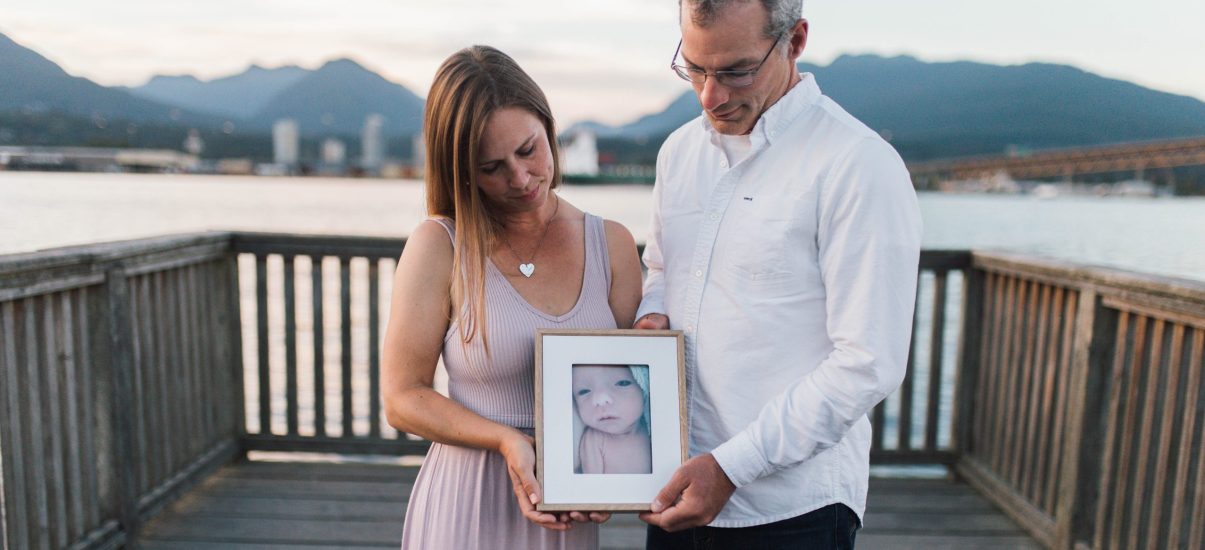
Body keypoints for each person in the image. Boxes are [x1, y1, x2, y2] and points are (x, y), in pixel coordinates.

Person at [634, 0, 923, 548]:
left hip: (793, 510)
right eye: (694, 68)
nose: (709, 96)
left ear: (795, 41)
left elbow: (868, 363)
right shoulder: (678, 152)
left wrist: (732, 467)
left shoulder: (859, 164)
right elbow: (662, 265)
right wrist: (653, 312)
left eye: (736, 72)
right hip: (678, 488)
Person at [380, 45, 644, 550]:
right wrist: (506, 440)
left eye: (529, 150)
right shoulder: (440, 245)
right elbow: (402, 399)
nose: (520, 179)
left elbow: (631, 383)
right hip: (467, 504)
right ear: (459, 168)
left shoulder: (611, 244)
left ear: (549, 127)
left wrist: (615, 479)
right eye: (491, 166)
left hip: (566, 509)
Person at [573, 365, 652, 474]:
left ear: (644, 390)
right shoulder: (595, 439)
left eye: (622, 383)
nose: (600, 399)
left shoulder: (654, 433)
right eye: (584, 391)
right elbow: (591, 486)